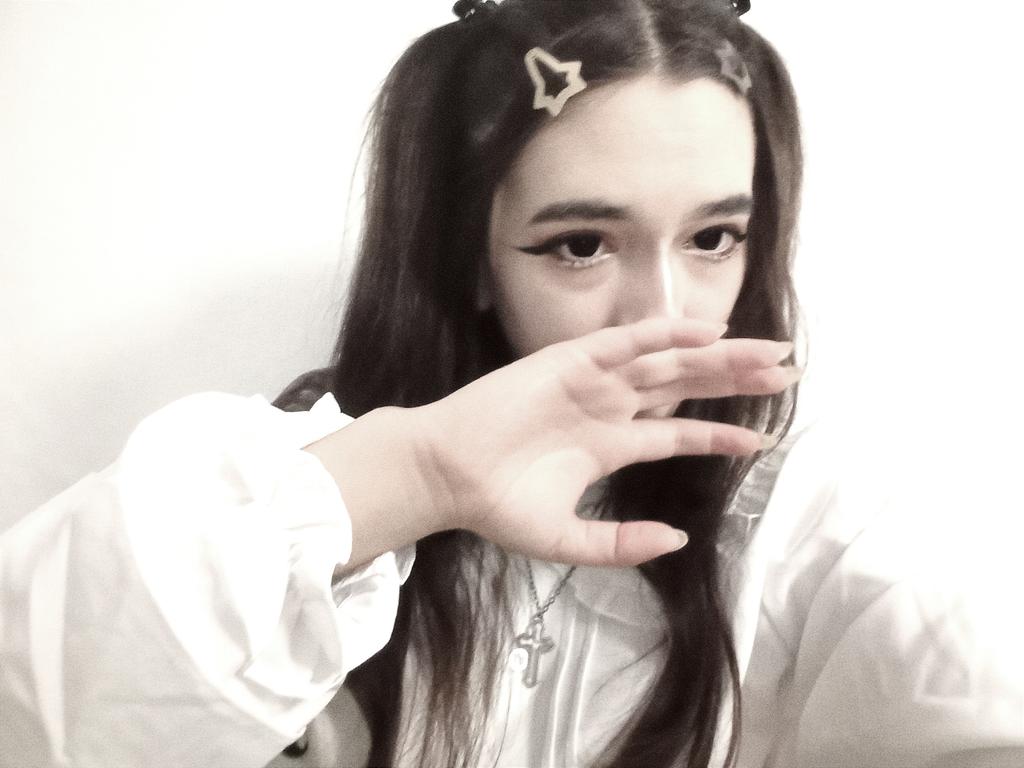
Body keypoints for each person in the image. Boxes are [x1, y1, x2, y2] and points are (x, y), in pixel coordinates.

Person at [1, 1, 1021, 767]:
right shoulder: (288, 489)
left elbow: (964, 688)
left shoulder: (805, 508)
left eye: (714, 237)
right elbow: (45, 706)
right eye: (581, 245)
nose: (663, 315)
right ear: (471, 259)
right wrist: (418, 475)